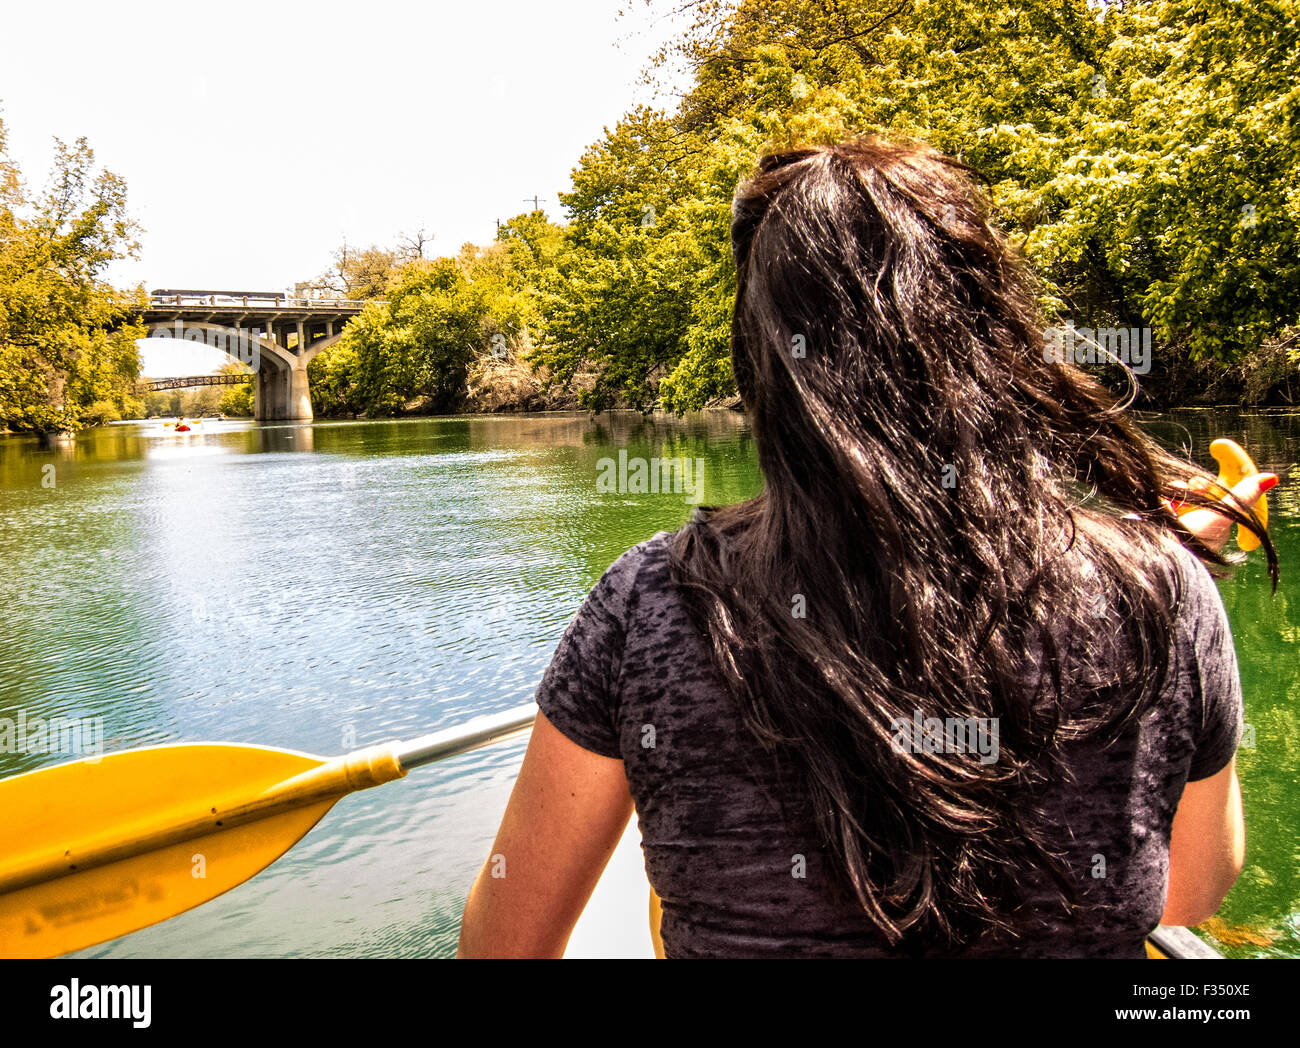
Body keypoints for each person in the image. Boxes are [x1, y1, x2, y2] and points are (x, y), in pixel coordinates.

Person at [457, 138, 1277, 958]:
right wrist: (1164, 568)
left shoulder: (649, 603)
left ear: (765, 362)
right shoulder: (1162, 589)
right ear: (995, 337)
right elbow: (1191, 885)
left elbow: (506, 945)